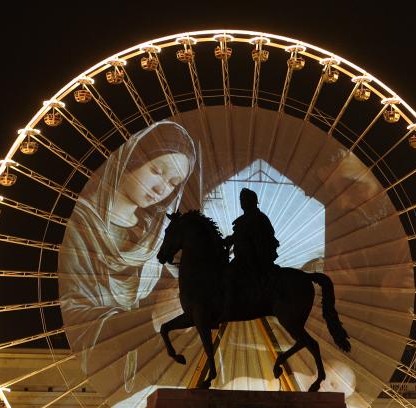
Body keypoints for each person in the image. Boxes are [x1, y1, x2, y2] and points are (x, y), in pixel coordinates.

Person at [59, 120, 196, 360]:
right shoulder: (81, 224)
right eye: (157, 171)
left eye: (173, 183)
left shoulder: (156, 235)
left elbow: (174, 294)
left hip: (145, 357)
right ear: (134, 159)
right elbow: (76, 318)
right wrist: (151, 319)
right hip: (101, 356)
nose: (162, 188)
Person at [222, 188, 279, 317]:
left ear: (252, 202)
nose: (242, 203)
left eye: (244, 200)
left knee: (228, 273)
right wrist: (229, 240)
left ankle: (229, 307)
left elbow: (261, 238)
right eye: (241, 200)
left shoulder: (258, 218)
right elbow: (238, 236)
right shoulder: (246, 219)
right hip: (245, 257)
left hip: (253, 258)